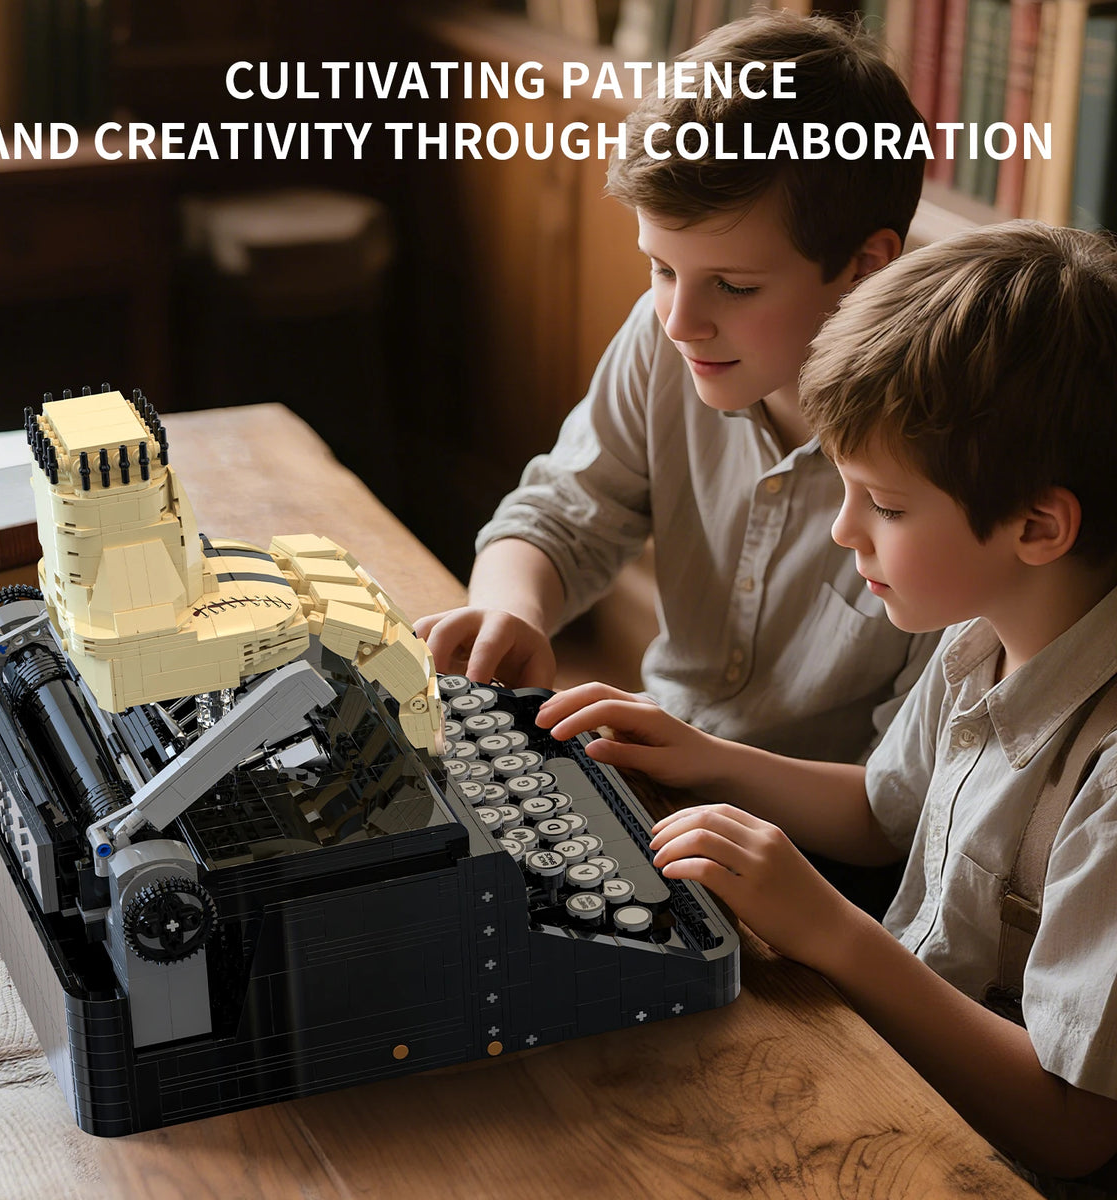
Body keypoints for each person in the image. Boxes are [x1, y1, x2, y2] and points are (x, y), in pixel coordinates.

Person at [536, 222, 1117, 1185]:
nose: (845, 529)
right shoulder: (982, 635)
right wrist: (703, 756)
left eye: (884, 507)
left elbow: (1073, 1130)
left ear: (1039, 526)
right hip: (901, 1072)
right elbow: (886, 813)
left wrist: (831, 933)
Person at [416, 11, 941, 768]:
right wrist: (510, 610)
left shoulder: (946, 452)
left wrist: (696, 758)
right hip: (670, 763)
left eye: (732, 285)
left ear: (866, 267)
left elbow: (908, 796)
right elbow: (565, 512)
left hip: (818, 846)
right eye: (661, 269)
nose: (680, 322)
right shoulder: (673, 339)